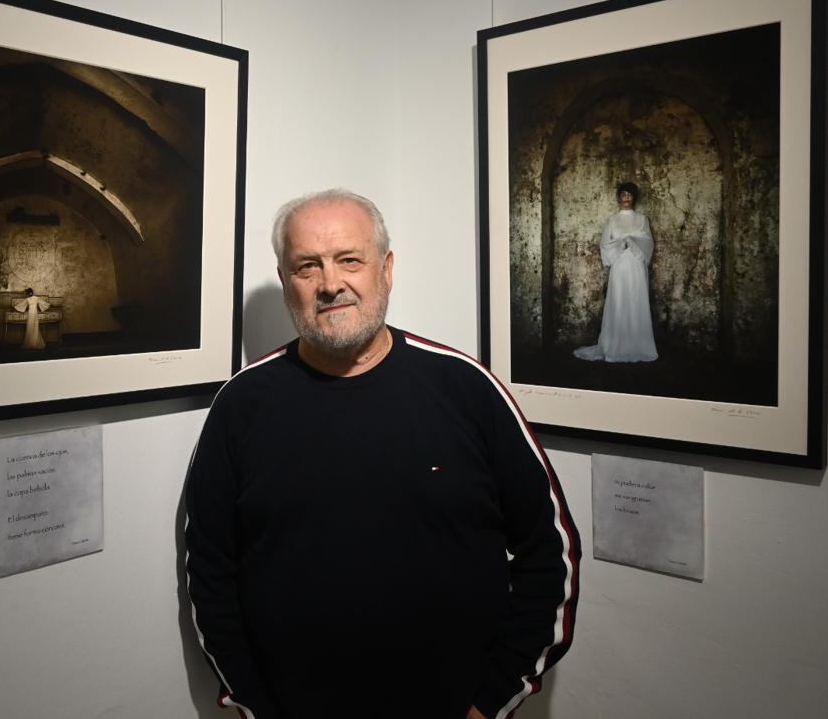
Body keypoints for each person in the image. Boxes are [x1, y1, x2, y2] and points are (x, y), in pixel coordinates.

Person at [184, 189, 579, 719]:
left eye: (350, 260)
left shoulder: (467, 389)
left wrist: (491, 700)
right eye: (307, 266)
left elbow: (549, 552)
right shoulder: (241, 407)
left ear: (386, 269)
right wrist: (255, 704)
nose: (331, 284)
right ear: (285, 283)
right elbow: (210, 574)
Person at [574, 182, 659, 363]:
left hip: (636, 265)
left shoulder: (642, 219)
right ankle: (615, 344)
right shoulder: (612, 220)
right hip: (620, 265)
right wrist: (622, 243)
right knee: (619, 301)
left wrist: (632, 241)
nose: (626, 197)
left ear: (634, 197)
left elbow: (648, 242)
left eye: (629, 194)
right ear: (619, 197)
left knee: (636, 301)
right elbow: (605, 244)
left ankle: (638, 345)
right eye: (623, 194)